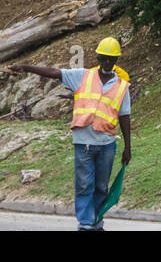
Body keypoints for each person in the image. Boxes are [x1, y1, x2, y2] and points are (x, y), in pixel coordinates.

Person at [7, 38, 132, 230]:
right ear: (98, 57)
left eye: (111, 59)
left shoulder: (122, 86)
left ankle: (97, 222)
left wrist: (128, 147)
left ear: (116, 60)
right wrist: (26, 67)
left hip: (106, 144)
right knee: (83, 185)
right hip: (83, 143)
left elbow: (125, 117)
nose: (107, 62)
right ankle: (85, 224)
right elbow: (54, 73)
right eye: (104, 58)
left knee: (101, 187)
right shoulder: (82, 76)